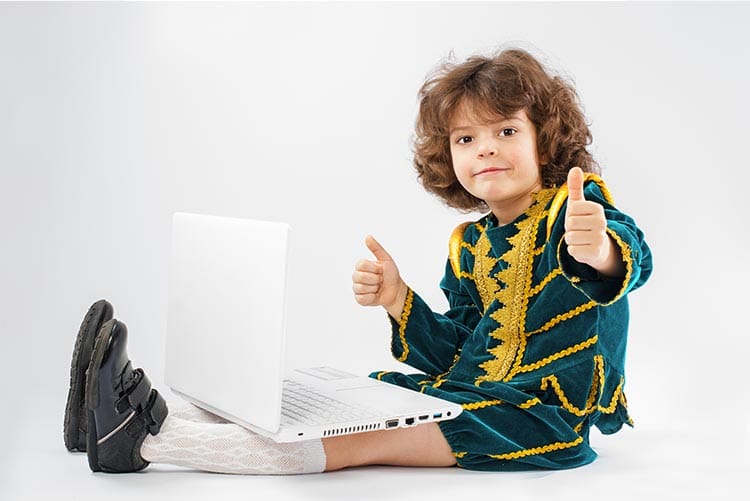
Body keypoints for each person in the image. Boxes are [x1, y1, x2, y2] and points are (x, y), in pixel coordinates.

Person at [63, 46, 652, 474]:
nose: (486, 149)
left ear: (543, 139)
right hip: (474, 392)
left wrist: (594, 249)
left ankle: (143, 444)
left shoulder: (577, 212)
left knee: (360, 437)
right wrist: (399, 300)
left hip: (540, 419)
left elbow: (628, 258)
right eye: (465, 139)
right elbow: (458, 353)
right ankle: (119, 410)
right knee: (342, 398)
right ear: (448, 156)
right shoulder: (469, 246)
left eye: (504, 129)